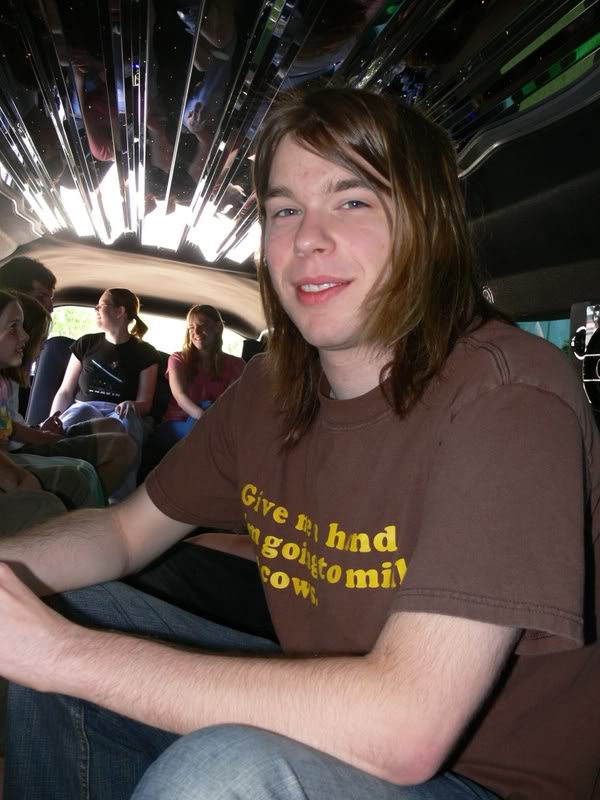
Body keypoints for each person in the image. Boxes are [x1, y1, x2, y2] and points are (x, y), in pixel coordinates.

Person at [0, 86, 599, 800]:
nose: (307, 238)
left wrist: (60, 655)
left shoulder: (511, 397)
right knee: (64, 609)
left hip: (480, 781)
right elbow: (124, 533)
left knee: (223, 771)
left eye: (353, 201)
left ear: (428, 228)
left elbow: (405, 730)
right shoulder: (270, 389)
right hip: (339, 714)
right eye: (285, 210)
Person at [3, 293, 137, 500]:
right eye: (41, 341)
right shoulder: (85, 345)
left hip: (26, 440)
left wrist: (40, 429)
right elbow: (8, 430)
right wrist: (44, 437)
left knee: (115, 425)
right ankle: (90, 507)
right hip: (21, 449)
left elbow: (8, 425)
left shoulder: (8, 378)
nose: (41, 347)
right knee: (121, 446)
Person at [49, 287, 160, 498]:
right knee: (78, 413)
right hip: (85, 406)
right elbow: (65, 390)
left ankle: (119, 499)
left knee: (127, 420)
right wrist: (53, 419)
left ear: (120, 311)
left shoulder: (146, 353)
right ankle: (50, 472)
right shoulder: (86, 343)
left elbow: (145, 403)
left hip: (120, 411)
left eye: (101, 305)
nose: (96, 309)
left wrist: (133, 405)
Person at [147, 304, 244, 462]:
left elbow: (231, 403)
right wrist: (206, 419)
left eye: (202, 325)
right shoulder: (178, 359)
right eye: (191, 328)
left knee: (210, 407)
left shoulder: (236, 365)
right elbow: (180, 396)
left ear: (218, 328)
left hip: (215, 425)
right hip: (176, 425)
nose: (196, 332)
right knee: (203, 415)